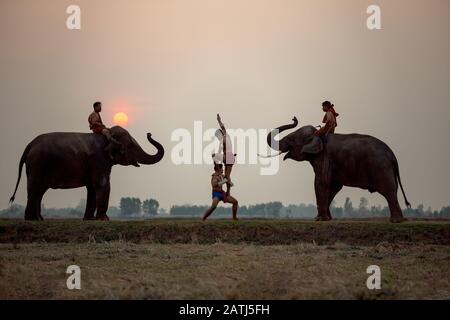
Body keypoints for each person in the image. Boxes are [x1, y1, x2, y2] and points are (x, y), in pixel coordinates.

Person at [212, 113, 235, 196]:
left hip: (228, 156)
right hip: (231, 157)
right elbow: (220, 151)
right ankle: (228, 192)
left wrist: (219, 120)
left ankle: (219, 172)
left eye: (218, 136)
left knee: (213, 155)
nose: (218, 138)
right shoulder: (226, 137)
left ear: (220, 134)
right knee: (227, 176)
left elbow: (222, 127)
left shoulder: (224, 136)